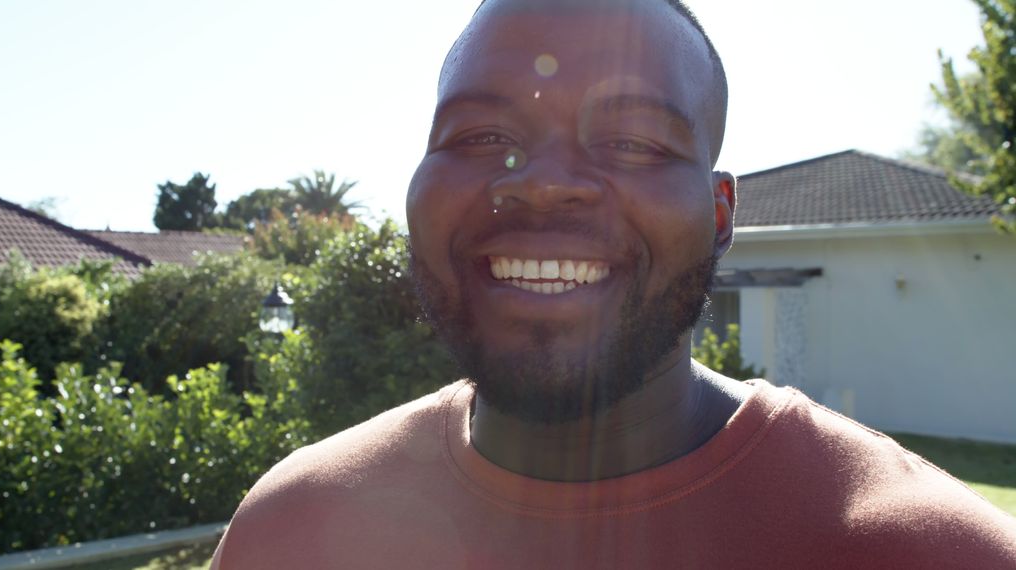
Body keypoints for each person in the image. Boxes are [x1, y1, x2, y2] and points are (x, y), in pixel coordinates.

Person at [212, 0, 1016, 567]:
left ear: (720, 213)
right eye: (483, 134)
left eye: (633, 141)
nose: (544, 184)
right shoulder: (289, 530)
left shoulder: (927, 552)